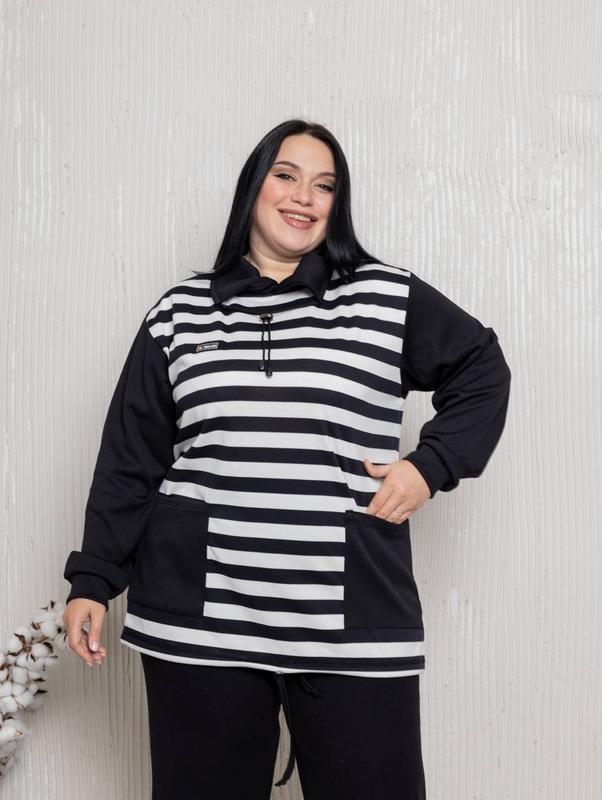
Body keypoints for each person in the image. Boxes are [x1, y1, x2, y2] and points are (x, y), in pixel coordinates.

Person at [62, 118, 511, 799]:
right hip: (200, 622)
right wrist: (93, 580)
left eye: (324, 185)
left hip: (350, 623)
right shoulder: (180, 313)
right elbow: (131, 455)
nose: (304, 196)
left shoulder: (385, 297)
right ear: (254, 187)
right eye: (287, 175)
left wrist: (429, 465)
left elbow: (482, 368)